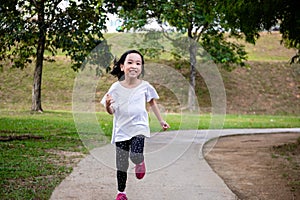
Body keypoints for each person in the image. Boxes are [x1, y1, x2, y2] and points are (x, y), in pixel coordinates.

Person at [101, 50, 170, 200]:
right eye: (130, 62)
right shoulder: (115, 88)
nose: (134, 66)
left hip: (139, 127)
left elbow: (152, 103)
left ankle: (139, 161)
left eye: (138, 63)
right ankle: (121, 193)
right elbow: (111, 111)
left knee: (135, 154)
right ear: (122, 66)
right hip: (121, 130)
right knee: (121, 164)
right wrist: (107, 105)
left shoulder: (145, 86)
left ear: (141, 68)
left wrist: (161, 120)